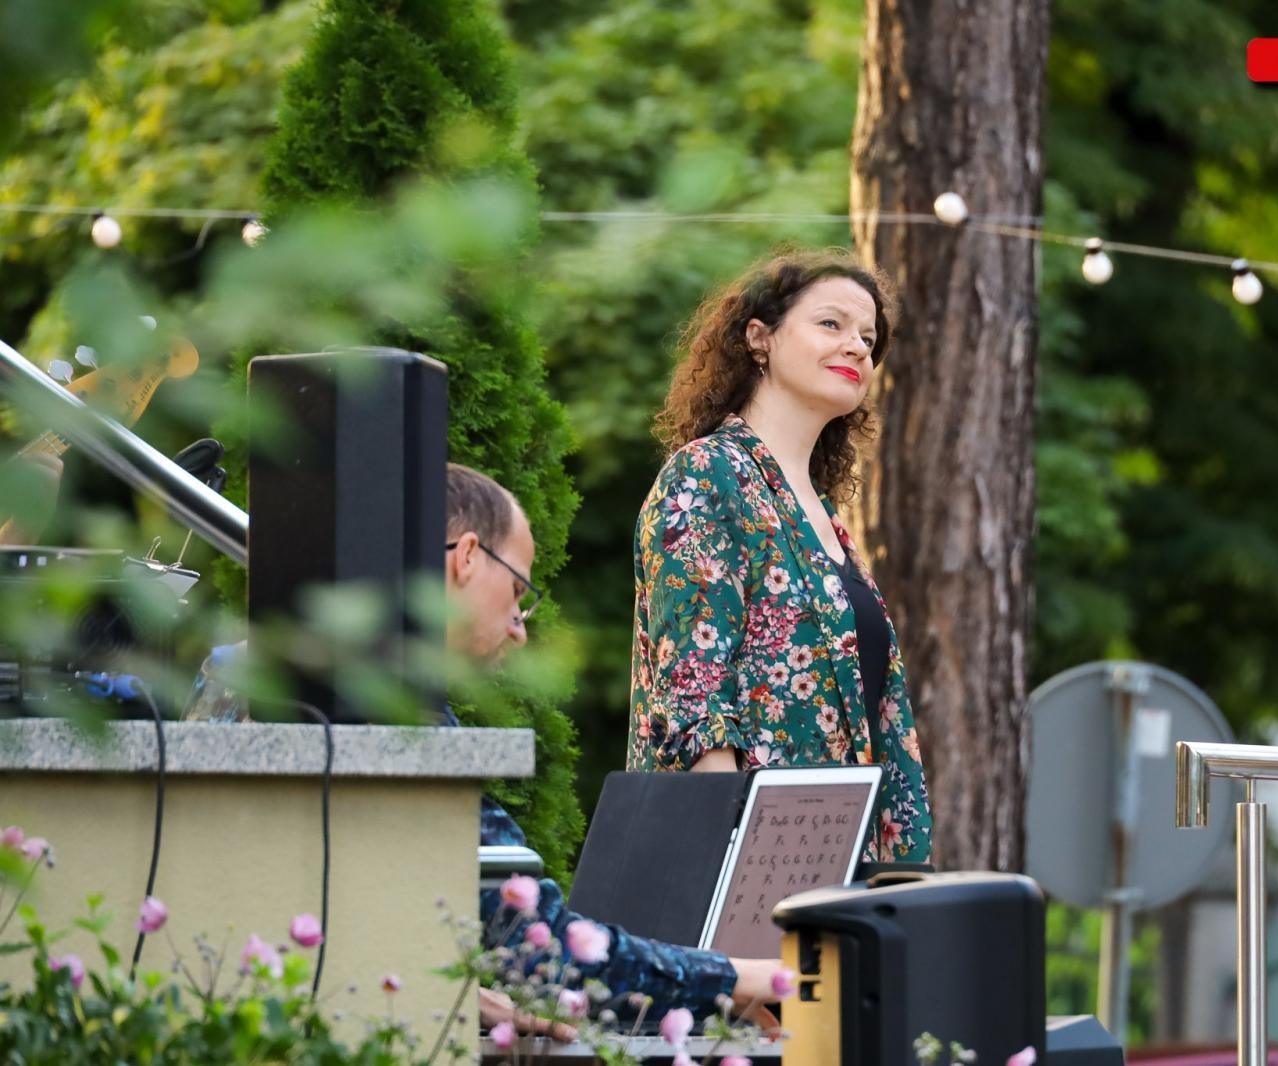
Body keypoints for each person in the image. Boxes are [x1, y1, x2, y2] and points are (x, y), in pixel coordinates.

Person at [190, 462, 786, 1040]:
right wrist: (743, 977)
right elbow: (540, 949)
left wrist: (456, 990)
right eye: (518, 591)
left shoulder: (241, 671)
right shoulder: (392, 710)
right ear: (468, 557)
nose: (519, 629)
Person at [627, 251, 933, 864]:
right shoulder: (708, 474)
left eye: (868, 338)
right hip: (745, 867)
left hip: (836, 866)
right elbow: (693, 697)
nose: (857, 347)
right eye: (831, 324)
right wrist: (735, 861)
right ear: (759, 338)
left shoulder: (821, 515)